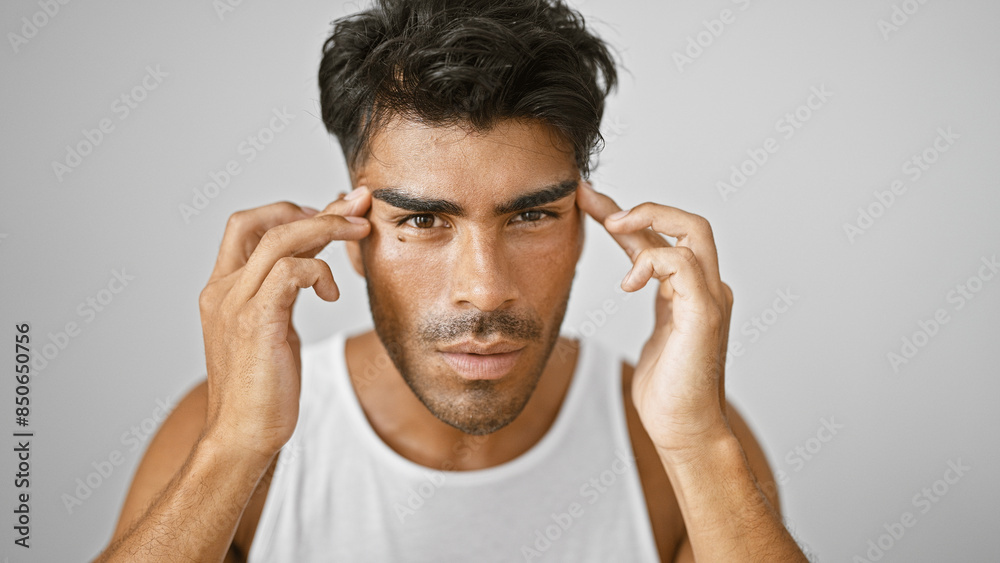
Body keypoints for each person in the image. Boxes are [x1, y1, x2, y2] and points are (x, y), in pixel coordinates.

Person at [97, 0, 807, 561]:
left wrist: (697, 446)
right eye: (424, 222)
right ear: (351, 229)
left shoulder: (673, 445)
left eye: (531, 215)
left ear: (585, 223)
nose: (485, 288)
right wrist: (234, 448)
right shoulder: (230, 432)